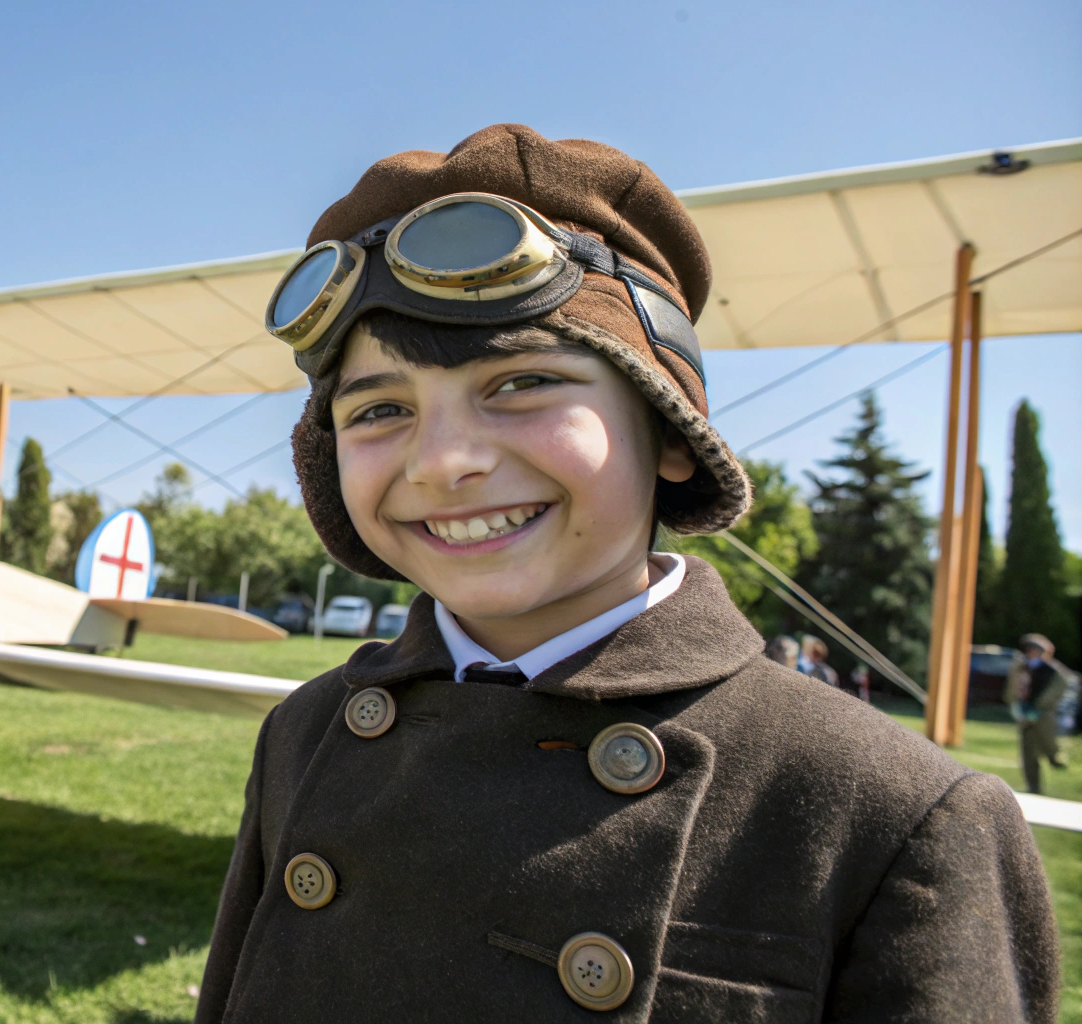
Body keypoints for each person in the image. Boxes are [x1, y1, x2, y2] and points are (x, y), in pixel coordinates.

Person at [195, 125, 1057, 1022]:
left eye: (521, 383)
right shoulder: (304, 731)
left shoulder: (895, 814)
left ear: (670, 433)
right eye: (377, 408)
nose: (441, 461)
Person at [1015, 633, 1072, 794]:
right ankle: (1033, 787)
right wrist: (1017, 706)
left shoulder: (1052, 670)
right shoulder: (1023, 667)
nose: (1030, 653)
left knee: (1048, 745)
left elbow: (1060, 687)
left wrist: (1040, 707)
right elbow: (1015, 688)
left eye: (1034, 649)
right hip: (1025, 715)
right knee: (1028, 752)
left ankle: (1056, 760)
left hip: (1043, 715)